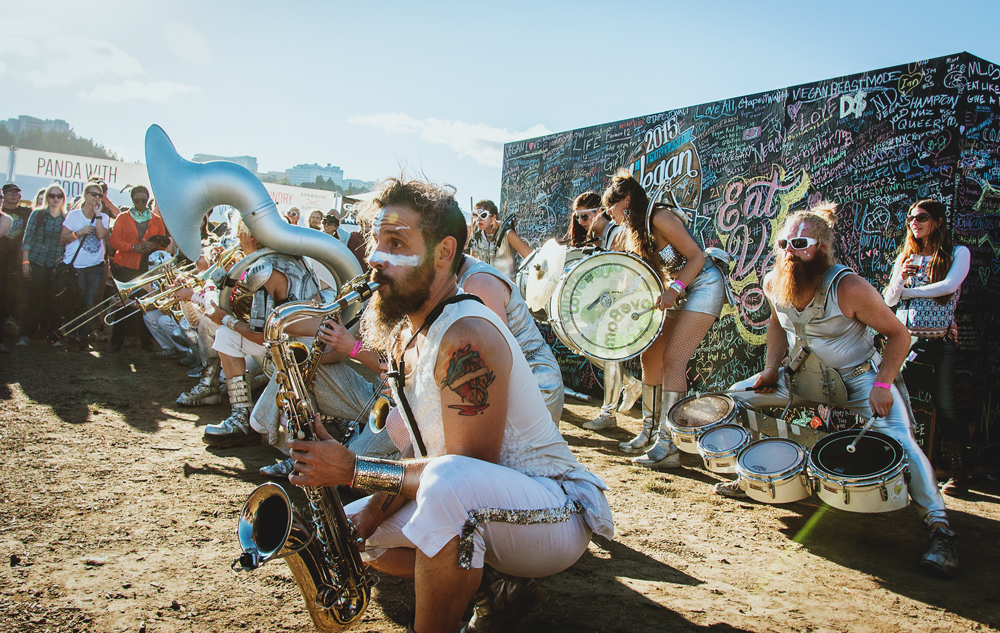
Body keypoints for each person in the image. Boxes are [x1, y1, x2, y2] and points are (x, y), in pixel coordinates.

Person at [285, 177, 613, 633]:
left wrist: (353, 470)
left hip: (556, 513)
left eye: (395, 242)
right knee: (351, 531)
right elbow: (422, 456)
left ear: (443, 253)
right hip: (476, 502)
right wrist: (365, 506)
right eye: (376, 242)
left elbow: (462, 469)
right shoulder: (404, 335)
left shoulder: (467, 335)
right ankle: (492, 588)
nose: (375, 258)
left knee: (445, 487)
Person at [720, 203, 958, 577]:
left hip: (862, 380)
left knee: (902, 440)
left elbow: (899, 335)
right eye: (783, 243)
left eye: (799, 243)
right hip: (801, 376)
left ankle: (941, 529)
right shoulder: (773, 281)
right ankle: (753, 475)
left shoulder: (848, 286)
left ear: (821, 248)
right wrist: (769, 370)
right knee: (736, 399)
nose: (789, 252)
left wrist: (882, 384)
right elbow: (778, 326)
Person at [602, 169, 728, 468]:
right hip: (675, 290)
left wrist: (675, 289)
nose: (609, 213)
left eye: (611, 206)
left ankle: (669, 444)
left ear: (627, 200)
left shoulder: (659, 217)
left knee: (673, 360)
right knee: (651, 357)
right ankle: (647, 431)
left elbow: (696, 257)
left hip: (702, 285)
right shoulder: (635, 231)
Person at [200, 220, 322, 448]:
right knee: (227, 336)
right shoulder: (292, 258)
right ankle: (242, 417)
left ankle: (241, 420)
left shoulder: (264, 268)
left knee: (225, 334)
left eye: (240, 233)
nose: (237, 239)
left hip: (296, 349)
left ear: (253, 237)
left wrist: (224, 318)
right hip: (306, 342)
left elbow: (263, 335)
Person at [884, 200, 971, 496]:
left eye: (921, 217)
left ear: (938, 221)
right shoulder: (907, 256)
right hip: (906, 344)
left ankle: (959, 474)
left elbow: (948, 286)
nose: (914, 223)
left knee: (945, 405)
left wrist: (908, 291)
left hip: (940, 342)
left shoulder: (958, 253)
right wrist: (900, 280)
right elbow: (889, 301)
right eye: (910, 218)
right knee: (902, 405)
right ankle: (898, 469)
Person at [458, 253, 565, 424]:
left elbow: (495, 356)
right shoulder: (468, 274)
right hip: (519, 379)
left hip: (533, 380)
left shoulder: (478, 283)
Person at [567, 191, 642, 432]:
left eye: (585, 217)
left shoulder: (618, 234)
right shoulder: (601, 238)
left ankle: (608, 413)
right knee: (580, 339)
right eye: (577, 218)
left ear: (600, 211)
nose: (581, 223)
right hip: (615, 304)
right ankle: (629, 384)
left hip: (630, 304)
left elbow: (631, 270)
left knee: (607, 351)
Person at [108, 186, 168, 352]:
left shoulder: (156, 219)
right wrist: (131, 247)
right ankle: (115, 343)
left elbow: (163, 242)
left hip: (146, 267)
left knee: (144, 305)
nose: (140, 203)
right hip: (125, 266)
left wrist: (153, 244)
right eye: (137, 200)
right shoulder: (122, 217)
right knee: (122, 304)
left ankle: (146, 343)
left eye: (143, 200)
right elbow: (114, 241)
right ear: (132, 200)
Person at [59, 183, 110, 350]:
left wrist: (97, 216)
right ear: (85, 195)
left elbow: (101, 235)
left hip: (95, 266)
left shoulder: (103, 217)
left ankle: (84, 337)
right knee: (77, 301)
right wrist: (78, 233)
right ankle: (71, 337)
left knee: (89, 303)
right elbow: (63, 238)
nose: (97, 197)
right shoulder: (74, 215)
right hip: (76, 266)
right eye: (93, 194)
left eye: (99, 195)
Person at [20, 184, 69, 345]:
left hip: (55, 262)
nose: (55, 199)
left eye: (59, 196)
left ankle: (54, 337)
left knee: (54, 301)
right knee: (32, 298)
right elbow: (27, 238)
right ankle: (24, 335)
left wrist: (63, 255)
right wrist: (25, 261)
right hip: (37, 259)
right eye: (52, 195)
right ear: (47, 197)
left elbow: (67, 241)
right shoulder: (38, 214)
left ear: (63, 199)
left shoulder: (66, 218)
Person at [465, 199, 531, 280]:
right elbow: (473, 262)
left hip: (506, 285)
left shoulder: (507, 233)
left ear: (493, 217)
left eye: (483, 215)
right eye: (475, 215)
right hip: (483, 285)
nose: (478, 219)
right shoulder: (476, 234)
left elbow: (530, 256)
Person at [1, 184, 32, 348]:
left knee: (19, 291)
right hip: (1, 258)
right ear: (4, 195)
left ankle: (16, 323)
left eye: (17, 193)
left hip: (19, 258)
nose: (13, 195)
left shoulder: (26, 213)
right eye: (10, 192)